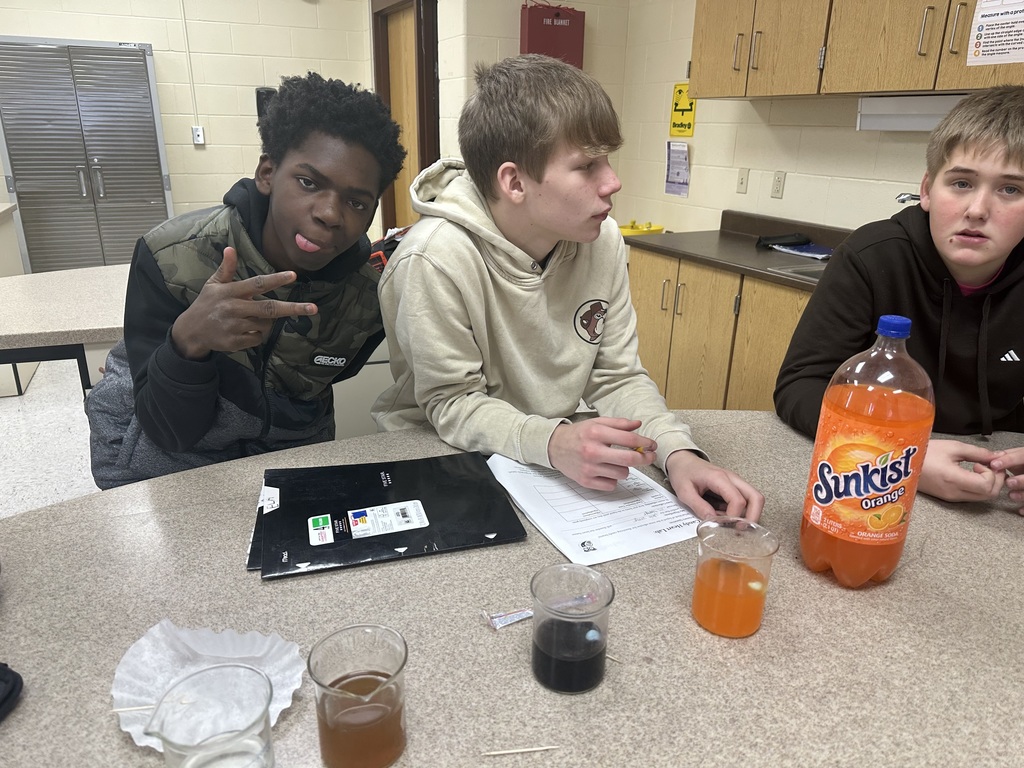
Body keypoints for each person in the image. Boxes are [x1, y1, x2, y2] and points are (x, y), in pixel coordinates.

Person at [371, 54, 764, 521]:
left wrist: (678, 453)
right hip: (441, 457)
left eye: (608, 160)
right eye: (587, 165)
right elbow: (451, 404)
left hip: (550, 456)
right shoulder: (434, 257)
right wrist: (555, 442)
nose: (613, 182)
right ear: (514, 182)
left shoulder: (602, 240)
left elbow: (616, 376)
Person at [85, 72, 406, 489]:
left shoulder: (367, 297)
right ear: (268, 173)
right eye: (308, 183)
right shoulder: (170, 256)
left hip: (285, 467)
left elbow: (329, 381)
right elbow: (169, 432)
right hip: (161, 461)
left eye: (356, 202)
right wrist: (188, 344)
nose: (330, 214)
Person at [775, 85, 1024, 507]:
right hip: (872, 474)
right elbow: (799, 386)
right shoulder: (870, 257)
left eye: (1011, 190)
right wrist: (902, 457)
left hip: (993, 483)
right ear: (927, 190)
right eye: (961, 183)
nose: (978, 210)